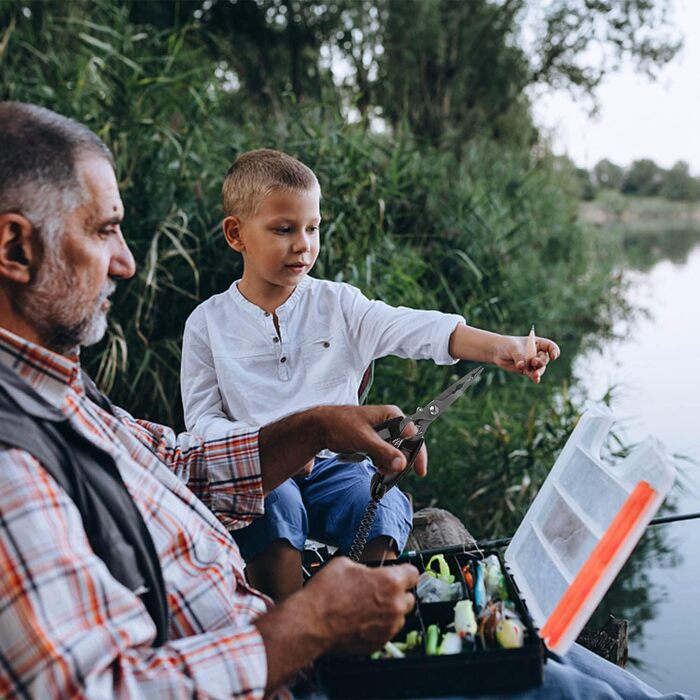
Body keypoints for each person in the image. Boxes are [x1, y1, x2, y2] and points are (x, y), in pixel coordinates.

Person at [1, 103, 691, 700]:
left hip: (297, 644)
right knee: (558, 687)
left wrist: (316, 426)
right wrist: (307, 626)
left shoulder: (64, 394)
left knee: (583, 669)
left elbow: (183, 462)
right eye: (103, 230)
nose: (124, 260)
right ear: (14, 246)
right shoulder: (13, 467)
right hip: (299, 673)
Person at [180, 149, 561, 601]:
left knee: (377, 507)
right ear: (236, 234)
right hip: (261, 472)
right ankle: (291, 632)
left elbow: (412, 327)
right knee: (273, 508)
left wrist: (503, 346)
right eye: (284, 230)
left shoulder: (339, 304)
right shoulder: (207, 323)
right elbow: (202, 424)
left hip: (336, 470)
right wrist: (277, 442)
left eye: (312, 227)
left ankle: (357, 618)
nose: (303, 244)